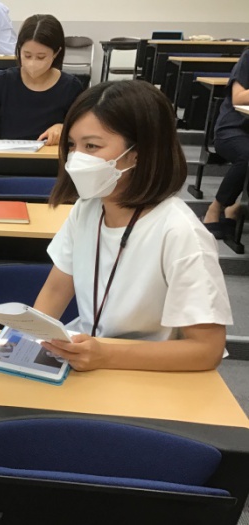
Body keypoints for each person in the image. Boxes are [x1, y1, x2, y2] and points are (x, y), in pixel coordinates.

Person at [32, 80, 231, 373]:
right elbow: (55, 291)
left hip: (146, 374)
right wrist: (26, 343)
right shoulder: (88, 208)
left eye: (91, 146)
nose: (76, 159)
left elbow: (207, 349)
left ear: (138, 153)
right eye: (72, 145)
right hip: (87, 364)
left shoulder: (180, 232)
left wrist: (107, 356)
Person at [0, 14, 83, 147]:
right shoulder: (6, 81)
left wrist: (62, 127)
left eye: (41, 57)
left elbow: (82, 127)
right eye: (27, 55)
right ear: (19, 49)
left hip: (49, 157)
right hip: (7, 156)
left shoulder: (71, 87)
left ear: (56, 52)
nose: (32, 63)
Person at [201, 48, 249, 238]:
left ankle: (236, 208)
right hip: (232, 128)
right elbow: (239, 97)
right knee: (248, 156)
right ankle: (216, 208)